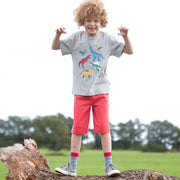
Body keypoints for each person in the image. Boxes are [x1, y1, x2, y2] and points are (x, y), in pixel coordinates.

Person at [51, 0, 133, 177]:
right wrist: (57, 34)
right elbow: (55, 46)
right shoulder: (75, 38)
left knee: (104, 129)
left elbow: (129, 50)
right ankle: (72, 167)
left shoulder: (108, 39)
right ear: (82, 21)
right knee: (77, 130)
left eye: (96, 20)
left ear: (101, 21)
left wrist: (125, 36)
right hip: (80, 93)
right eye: (88, 20)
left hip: (101, 91)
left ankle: (109, 165)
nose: (92, 24)